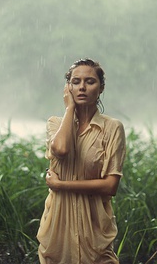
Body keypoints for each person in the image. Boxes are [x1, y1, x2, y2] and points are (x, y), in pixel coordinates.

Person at [37, 58, 126, 263]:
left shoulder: (112, 128)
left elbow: (110, 186)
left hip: (94, 231)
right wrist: (69, 109)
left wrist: (61, 185)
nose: (82, 87)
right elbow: (61, 149)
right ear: (67, 88)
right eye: (75, 82)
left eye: (90, 81)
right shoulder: (55, 123)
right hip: (57, 228)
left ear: (101, 87)